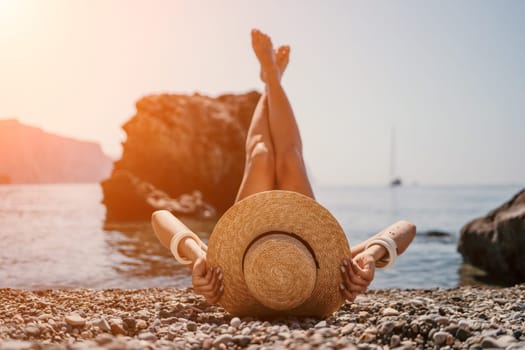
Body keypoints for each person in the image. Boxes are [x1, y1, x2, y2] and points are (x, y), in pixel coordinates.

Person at [154, 29, 416, 306]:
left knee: (261, 155)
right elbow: (406, 227)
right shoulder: (330, 275)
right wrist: (371, 256)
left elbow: (160, 218)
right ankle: (272, 78)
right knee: (289, 158)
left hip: (247, 244)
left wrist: (197, 257)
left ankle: (270, 78)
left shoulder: (221, 278)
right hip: (305, 244)